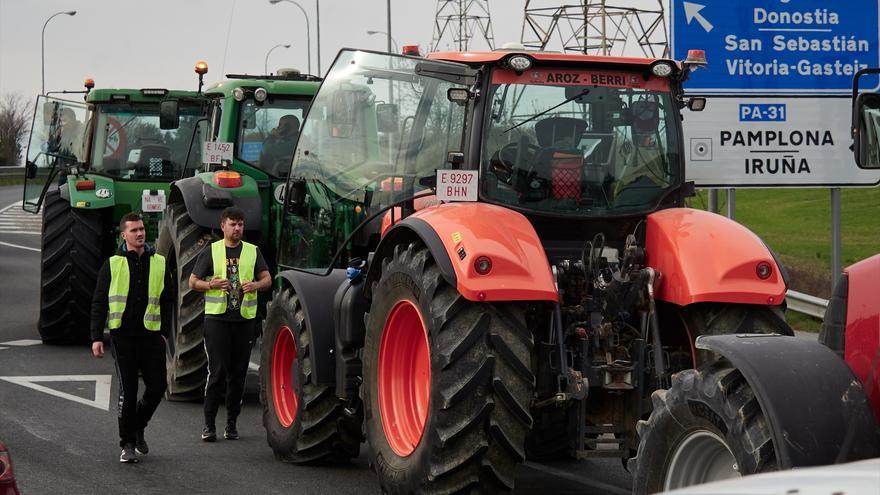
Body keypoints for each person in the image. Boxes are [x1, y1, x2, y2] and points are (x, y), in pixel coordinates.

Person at [91, 213, 172, 463]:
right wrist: (96, 337)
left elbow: (168, 300)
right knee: (129, 390)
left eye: (142, 230)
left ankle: (138, 426)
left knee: (158, 386)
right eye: (134, 230)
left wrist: (164, 334)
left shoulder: (158, 262)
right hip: (122, 337)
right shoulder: (112, 264)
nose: (140, 234)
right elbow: (99, 302)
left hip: (151, 336)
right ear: (123, 235)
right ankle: (127, 443)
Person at [189, 206, 271, 441]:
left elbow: (267, 278)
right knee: (217, 373)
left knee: (238, 375)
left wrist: (256, 285)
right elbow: (192, 281)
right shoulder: (211, 251)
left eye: (240, 224)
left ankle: (231, 424)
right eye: (233, 224)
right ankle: (209, 425)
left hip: (244, 320)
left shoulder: (253, 252)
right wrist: (210, 285)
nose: (237, 228)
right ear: (222, 226)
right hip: (217, 319)